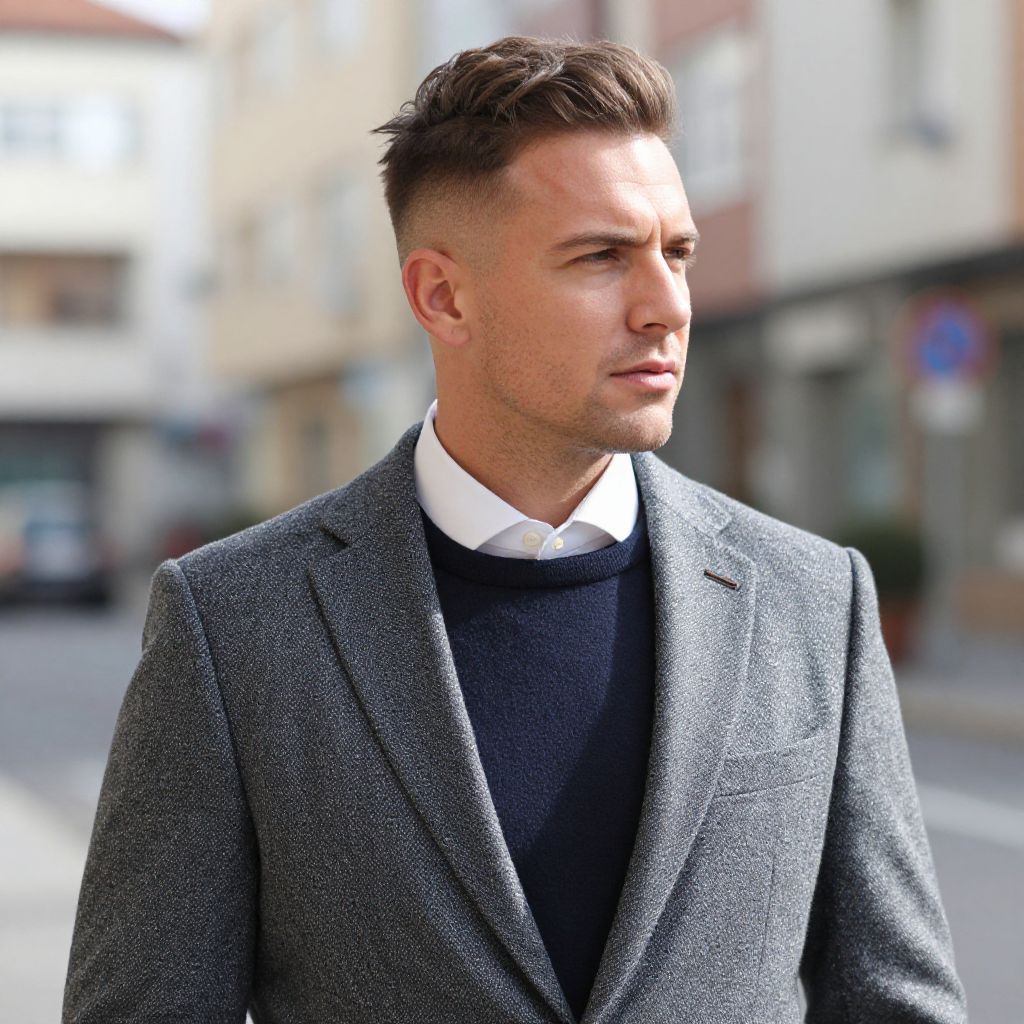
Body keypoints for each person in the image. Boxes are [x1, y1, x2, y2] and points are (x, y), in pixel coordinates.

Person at [63, 35, 966, 1024]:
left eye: (676, 252)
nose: (666, 306)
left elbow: (897, 1002)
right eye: (601, 257)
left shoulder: (813, 598)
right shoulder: (231, 626)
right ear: (444, 296)